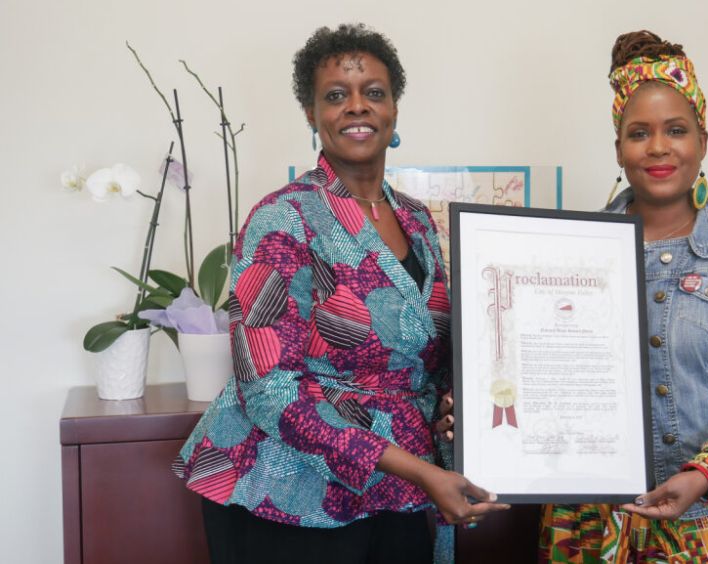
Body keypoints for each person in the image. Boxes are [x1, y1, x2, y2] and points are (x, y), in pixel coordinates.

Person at [172, 23, 507, 564]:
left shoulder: (420, 222)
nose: (357, 107)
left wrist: (454, 406)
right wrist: (420, 469)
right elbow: (270, 391)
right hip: (287, 496)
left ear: (394, 109)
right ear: (311, 113)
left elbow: (431, 355)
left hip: (400, 487)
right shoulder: (282, 220)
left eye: (373, 93)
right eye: (336, 95)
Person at [539, 30, 708, 563]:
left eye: (676, 130)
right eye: (639, 132)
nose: (658, 147)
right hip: (590, 526)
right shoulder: (565, 255)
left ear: (702, 141)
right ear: (619, 147)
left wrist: (705, 473)